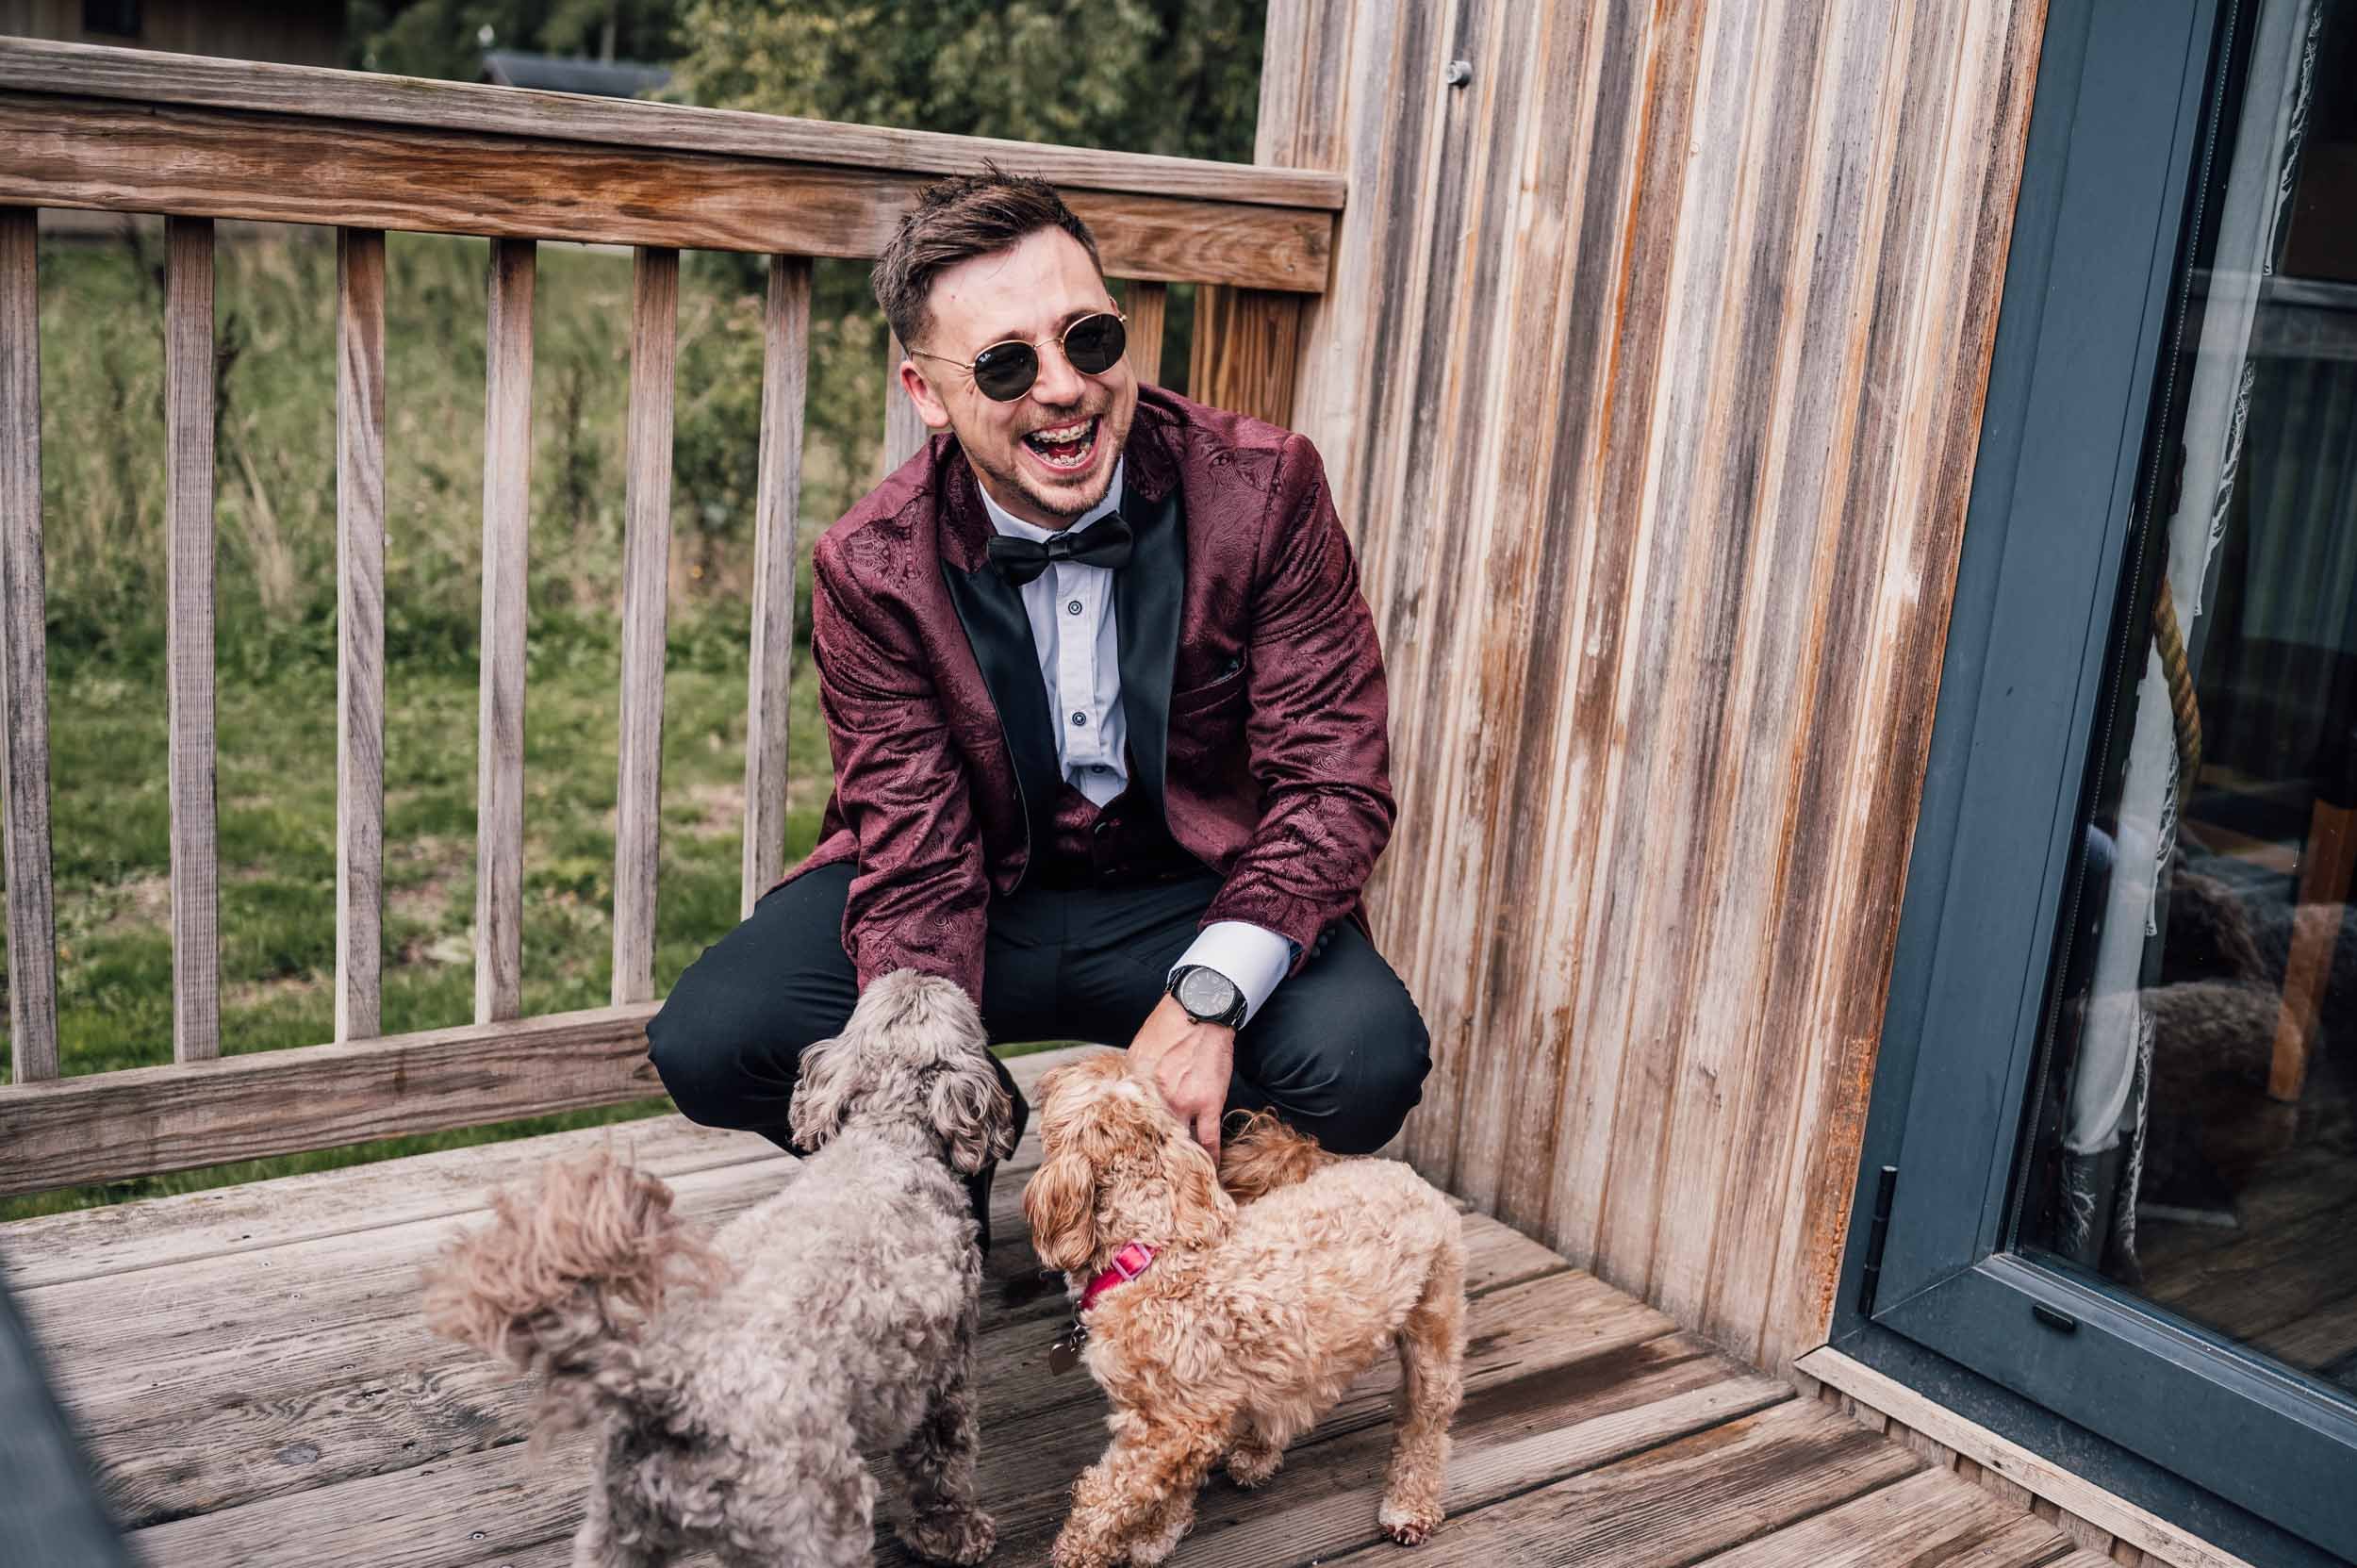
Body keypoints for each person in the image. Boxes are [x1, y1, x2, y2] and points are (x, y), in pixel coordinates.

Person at [646, 169, 1431, 1248]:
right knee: (713, 1037)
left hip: (1189, 888)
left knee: (1365, 1057)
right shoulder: (871, 566)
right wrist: (931, 1083)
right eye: (1007, 363)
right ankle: (966, 1154)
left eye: (1090, 339)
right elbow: (916, 852)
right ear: (925, 392)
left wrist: (1206, 998)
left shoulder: (1266, 490)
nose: (1063, 388)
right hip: (975, 885)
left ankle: (1188, 1188)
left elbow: (1333, 778)